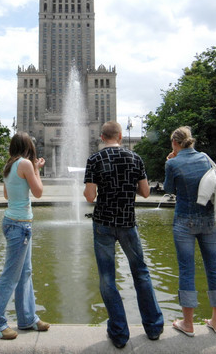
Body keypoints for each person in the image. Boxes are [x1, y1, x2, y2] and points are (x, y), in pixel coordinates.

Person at [83, 121, 164, 349]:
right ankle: (154, 327)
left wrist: (93, 187)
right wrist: (130, 187)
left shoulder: (94, 159)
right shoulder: (135, 158)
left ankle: (119, 333)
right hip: (128, 222)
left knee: (108, 278)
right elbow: (146, 192)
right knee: (141, 273)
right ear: (120, 135)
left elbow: (89, 197)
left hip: (103, 224)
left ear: (102, 136)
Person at [163, 126, 216, 337]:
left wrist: (169, 162)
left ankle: (188, 323)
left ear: (175, 143)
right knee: (214, 268)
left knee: (186, 270)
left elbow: (167, 189)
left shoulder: (173, 163)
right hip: (209, 220)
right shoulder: (204, 158)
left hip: (184, 221)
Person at [0, 132, 50, 340]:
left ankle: (27, 319)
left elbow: (6, 195)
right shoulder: (25, 164)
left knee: (25, 273)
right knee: (10, 276)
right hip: (20, 225)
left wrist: (33, 170)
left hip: (13, 222)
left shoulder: (9, 165)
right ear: (28, 146)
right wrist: (38, 171)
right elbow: (38, 192)